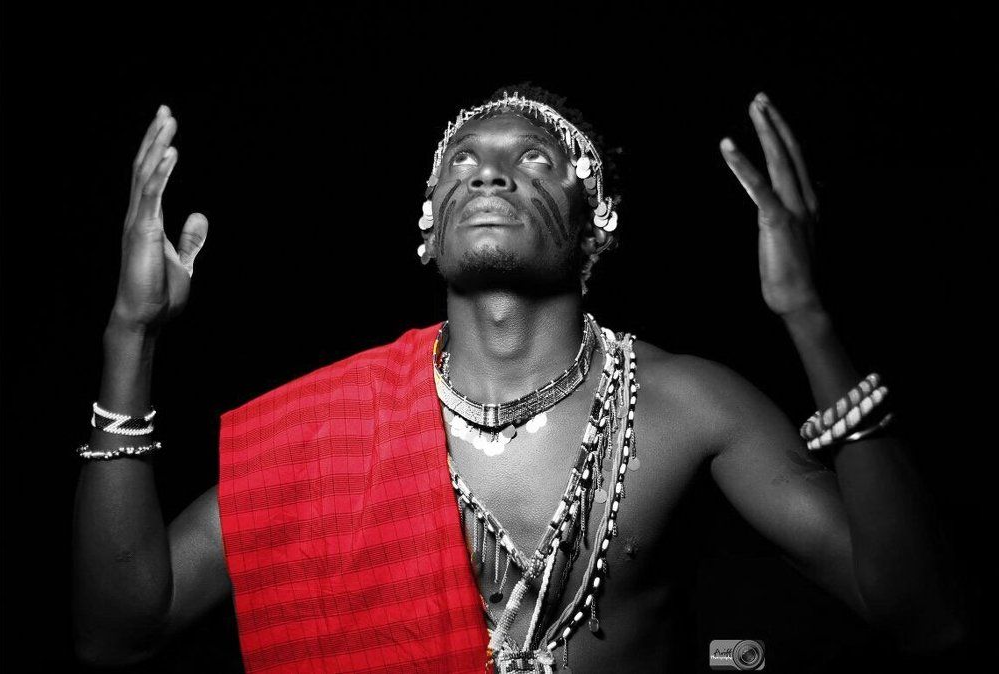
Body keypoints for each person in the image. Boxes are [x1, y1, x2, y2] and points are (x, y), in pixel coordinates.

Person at [72, 84, 966, 673]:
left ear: (596, 218)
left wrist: (809, 315)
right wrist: (129, 334)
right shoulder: (326, 427)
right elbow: (121, 631)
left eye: (533, 157)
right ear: (430, 227)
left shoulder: (693, 406)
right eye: (459, 162)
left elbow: (924, 617)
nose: (487, 172)